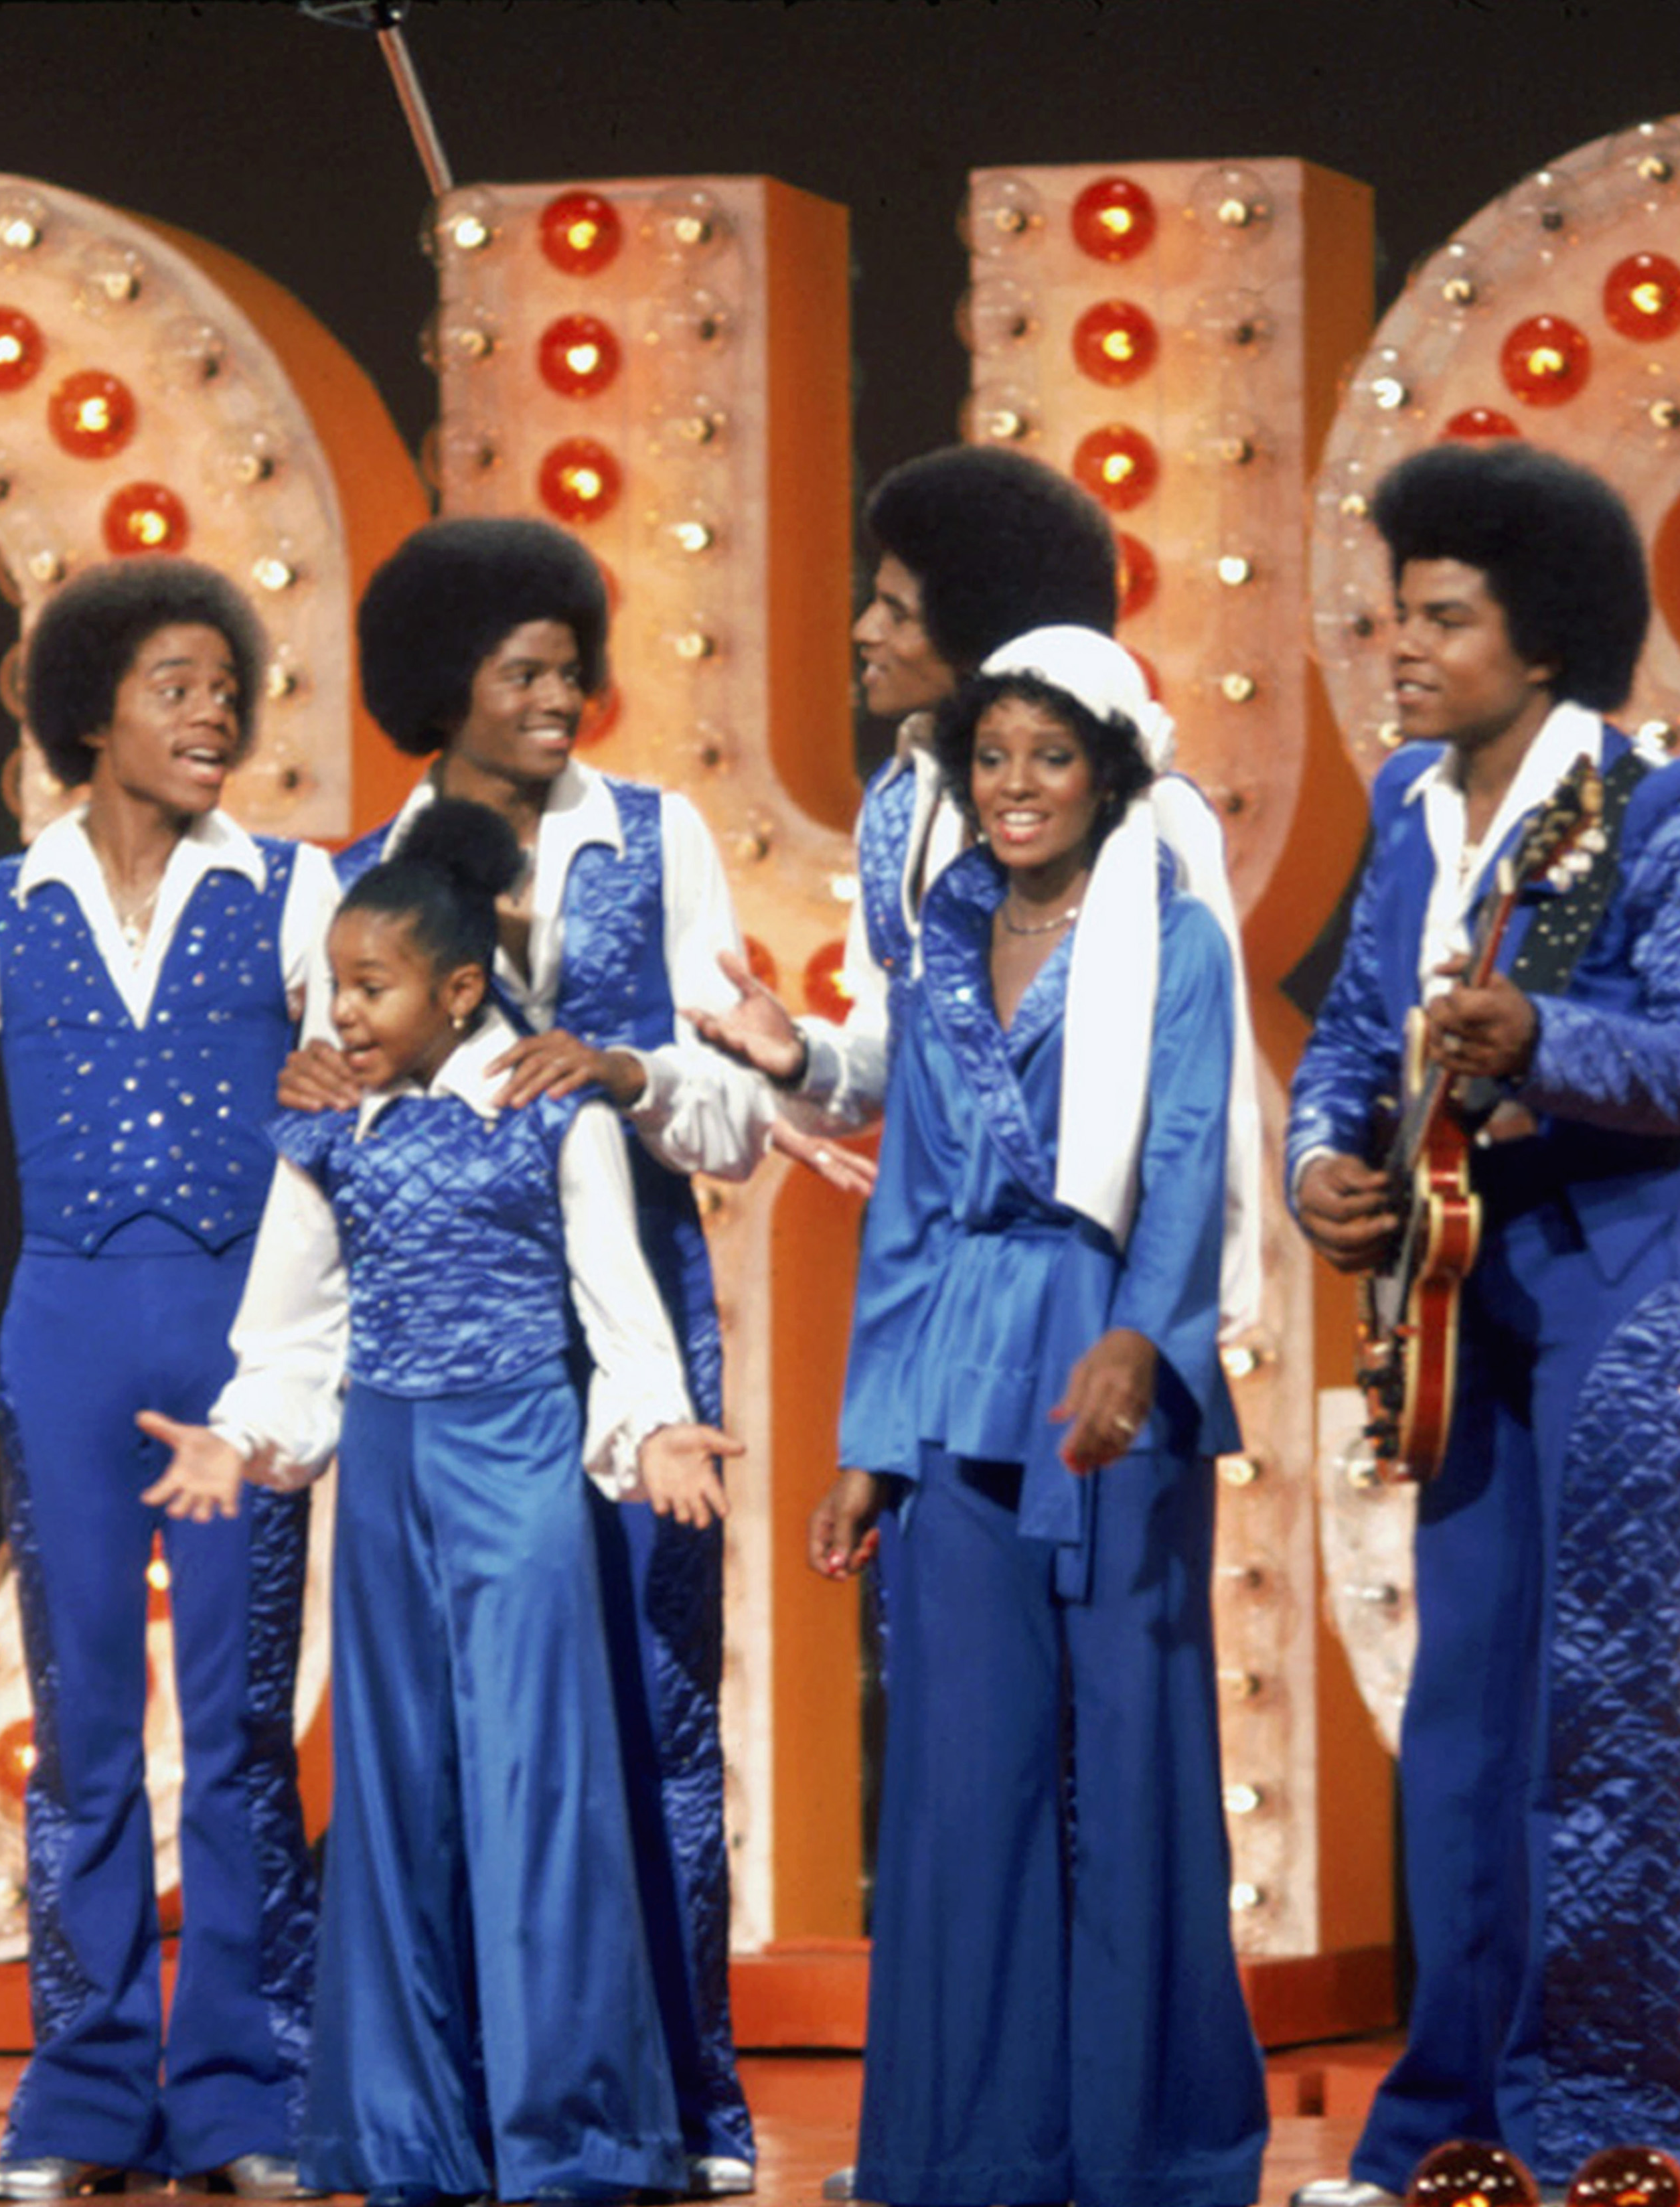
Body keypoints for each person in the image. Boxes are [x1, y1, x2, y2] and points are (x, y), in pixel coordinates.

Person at [1282, 443, 1680, 2194]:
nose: (1400, 644)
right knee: (1461, 1722)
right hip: (1460, 1291)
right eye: (1396, 610)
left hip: (1619, 1287)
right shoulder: (1411, 801)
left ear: (1539, 640)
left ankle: (1599, 2129)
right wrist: (1315, 1170)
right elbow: (1349, 1038)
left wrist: (1540, 1043)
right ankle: (1444, 2127)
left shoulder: (1660, 810)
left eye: (1441, 617)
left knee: (1597, 1710)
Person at [147, 798, 745, 2207]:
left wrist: (653, 1427)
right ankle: (415, 2135)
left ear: (460, 987)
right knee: (398, 1788)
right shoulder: (331, 1128)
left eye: (369, 988)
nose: (338, 1013)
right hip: (389, 1474)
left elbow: (616, 1302)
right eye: (328, 987)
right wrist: (241, 1438)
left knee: (535, 1786)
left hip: (519, 1461)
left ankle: (569, 2135)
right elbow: (294, 1333)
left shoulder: (547, 1106)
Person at [283, 515, 759, 2192]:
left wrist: (625, 1072)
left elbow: (739, 1106)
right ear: (447, 685)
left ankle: (676, 2098)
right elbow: (323, 1113)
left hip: (626, 1305)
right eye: (526, 668)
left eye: (574, 662)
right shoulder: (364, 878)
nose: (564, 693)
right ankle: (459, 2098)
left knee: (650, 1708)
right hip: (435, 1347)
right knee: (436, 1745)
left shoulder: (657, 835)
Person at [814, 627, 1267, 2207]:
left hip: (1103, 1364)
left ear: (1110, 773)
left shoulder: (1177, 939)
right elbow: (911, 1201)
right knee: (963, 1773)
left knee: (1131, 1763)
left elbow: (1196, 1152)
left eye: (1050, 757)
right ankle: (971, 2146)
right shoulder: (935, 946)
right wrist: (870, 1439)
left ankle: (1153, 2145)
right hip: (951, 1372)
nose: (1016, 787)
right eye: (991, 756)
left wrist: (1145, 1336)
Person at [0, 557, 334, 2204]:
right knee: (84, 1725)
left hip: (240, 1344)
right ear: (89, 714)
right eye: (175, 685)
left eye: (223, 685)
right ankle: (86, 2089)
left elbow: (389, 1064)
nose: (213, 711)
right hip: (69, 1339)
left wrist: (340, 1076)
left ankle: (246, 2085)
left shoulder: (296, 890)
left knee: (242, 1723)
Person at [630, 445, 1122, 1191]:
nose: (863, 630)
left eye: (897, 613)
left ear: (975, 629)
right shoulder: (899, 800)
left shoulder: (1120, 813)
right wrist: (799, 1055)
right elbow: (894, 1056)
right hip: (932, 1229)